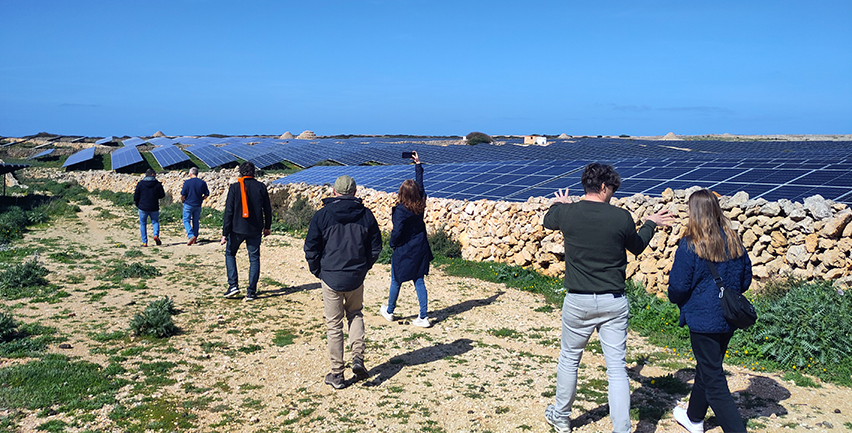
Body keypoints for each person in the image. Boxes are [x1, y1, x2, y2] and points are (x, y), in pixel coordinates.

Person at [542, 163, 673, 433]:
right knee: (616, 370)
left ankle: (562, 417)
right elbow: (636, 247)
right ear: (603, 186)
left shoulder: (568, 213)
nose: (613, 193)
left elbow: (548, 220)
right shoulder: (621, 217)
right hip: (613, 301)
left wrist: (560, 203)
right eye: (612, 188)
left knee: (569, 359)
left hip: (578, 300)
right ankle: (622, 429)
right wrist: (650, 223)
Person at [668, 189, 751, 433]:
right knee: (708, 367)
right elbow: (745, 281)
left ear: (693, 212)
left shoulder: (690, 244)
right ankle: (694, 418)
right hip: (728, 317)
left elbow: (679, 286)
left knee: (714, 379)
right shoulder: (734, 240)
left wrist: (677, 300)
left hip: (703, 319)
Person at [304, 175, 382, 390]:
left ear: (334, 192)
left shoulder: (322, 216)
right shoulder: (366, 215)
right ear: (355, 193)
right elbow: (376, 247)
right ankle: (357, 357)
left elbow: (311, 247)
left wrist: (317, 270)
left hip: (330, 276)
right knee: (355, 314)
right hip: (356, 275)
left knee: (334, 324)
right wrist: (365, 266)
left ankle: (337, 374)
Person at [380, 151, 434, 328]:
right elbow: (421, 186)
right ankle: (423, 316)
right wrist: (418, 165)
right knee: (419, 280)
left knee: (396, 280)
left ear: (401, 193)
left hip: (404, 249)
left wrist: (392, 244)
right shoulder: (421, 202)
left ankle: (389, 311)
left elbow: (397, 232)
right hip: (420, 247)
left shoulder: (401, 211)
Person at [220, 162, 272, 302]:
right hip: (255, 229)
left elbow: (229, 212)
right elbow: (267, 209)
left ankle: (233, 285)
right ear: (254, 173)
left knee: (230, 253)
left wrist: (225, 233)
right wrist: (267, 226)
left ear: (241, 173)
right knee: (254, 258)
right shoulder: (261, 187)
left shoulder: (235, 187)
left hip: (236, 229)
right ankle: (251, 292)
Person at [133, 168, 166, 247]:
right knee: (155, 222)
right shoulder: (157, 184)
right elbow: (162, 195)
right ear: (152, 174)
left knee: (143, 224)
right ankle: (155, 235)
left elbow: (136, 196)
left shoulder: (140, 184)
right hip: (154, 206)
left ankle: (145, 242)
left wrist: (138, 204)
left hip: (142, 207)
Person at [180, 167, 210, 246]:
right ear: (197, 173)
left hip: (188, 204)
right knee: (195, 221)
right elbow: (207, 194)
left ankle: (190, 235)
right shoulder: (202, 183)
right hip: (198, 204)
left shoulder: (187, 182)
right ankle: (195, 237)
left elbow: (183, 194)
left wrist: (183, 200)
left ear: (190, 174)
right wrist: (202, 199)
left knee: (186, 220)